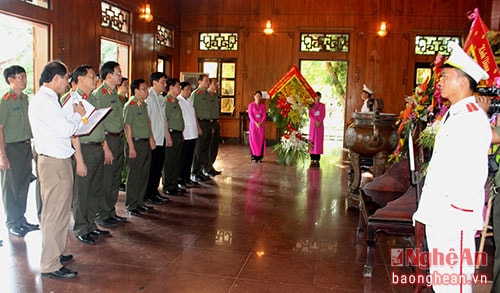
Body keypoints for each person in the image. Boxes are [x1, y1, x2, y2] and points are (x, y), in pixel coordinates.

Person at [412, 42, 491, 292]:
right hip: (441, 214)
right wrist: (428, 211)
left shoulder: (471, 118)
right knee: (442, 280)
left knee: (455, 283)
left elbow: (475, 174)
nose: (440, 81)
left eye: (445, 76)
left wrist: (451, 207)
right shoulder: (455, 114)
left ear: (463, 82)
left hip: (453, 217)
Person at [29, 60, 86, 279]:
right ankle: (50, 264)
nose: (67, 82)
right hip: (54, 162)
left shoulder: (50, 99)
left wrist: (73, 115)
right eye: (65, 78)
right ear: (55, 79)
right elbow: (65, 129)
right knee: (54, 213)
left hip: (58, 160)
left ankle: (56, 253)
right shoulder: (45, 101)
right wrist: (79, 115)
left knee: (62, 212)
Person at [60, 65, 110, 245]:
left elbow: (98, 126)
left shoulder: (93, 98)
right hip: (83, 149)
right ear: (80, 78)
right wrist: (79, 159)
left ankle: (91, 224)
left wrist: (105, 147)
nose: (95, 79)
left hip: (96, 147)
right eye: (91, 76)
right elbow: (72, 131)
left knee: (95, 189)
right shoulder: (71, 99)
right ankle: (81, 227)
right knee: (82, 191)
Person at [0, 65, 39, 238]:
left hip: (24, 146)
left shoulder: (24, 99)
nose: (24, 80)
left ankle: (21, 219)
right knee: (11, 186)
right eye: (20, 77)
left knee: (23, 184)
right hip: (11, 147)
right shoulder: (6, 100)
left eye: (24, 76)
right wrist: (2, 155)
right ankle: (12, 222)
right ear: (10, 80)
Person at [94, 61, 127, 227]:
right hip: (107, 140)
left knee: (114, 178)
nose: (120, 76)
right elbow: (98, 123)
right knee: (106, 179)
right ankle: (102, 214)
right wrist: (105, 147)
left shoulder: (114, 93)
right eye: (118, 73)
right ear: (108, 75)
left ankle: (110, 211)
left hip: (118, 138)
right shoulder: (100, 95)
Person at [123, 79, 155, 216]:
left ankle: (140, 202)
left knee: (143, 175)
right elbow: (127, 127)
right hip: (135, 143)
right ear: (135, 90)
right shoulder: (130, 105)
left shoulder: (143, 105)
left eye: (147, 89)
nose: (146, 91)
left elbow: (147, 123)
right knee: (134, 176)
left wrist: (151, 139)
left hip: (145, 143)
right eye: (143, 89)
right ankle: (131, 205)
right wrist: (131, 147)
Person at [144, 72, 169, 204]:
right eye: (162, 82)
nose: (165, 85)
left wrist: (167, 137)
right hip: (153, 139)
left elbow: (163, 119)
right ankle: (148, 194)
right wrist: (151, 138)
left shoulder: (160, 98)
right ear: (154, 83)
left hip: (161, 138)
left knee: (158, 168)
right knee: (151, 169)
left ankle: (154, 191)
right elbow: (147, 119)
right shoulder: (149, 97)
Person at [162, 78, 184, 195]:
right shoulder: (167, 101)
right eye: (178, 86)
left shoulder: (175, 101)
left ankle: (174, 184)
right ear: (171, 88)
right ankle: (168, 185)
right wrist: (168, 136)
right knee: (169, 162)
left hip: (178, 134)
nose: (180, 88)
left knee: (176, 161)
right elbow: (165, 119)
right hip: (171, 134)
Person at [177, 81, 200, 189]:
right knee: (183, 157)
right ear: (181, 90)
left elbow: (194, 114)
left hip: (192, 132)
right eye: (186, 89)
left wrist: (198, 127)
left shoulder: (189, 100)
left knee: (190, 157)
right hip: (185, 133)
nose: (189, 91)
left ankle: (187, 177)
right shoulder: (179, 101)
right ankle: (180, 179)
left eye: (189, 89)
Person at [190, 74, 212, 182]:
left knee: (205, 148)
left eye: (208, 81)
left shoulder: (208, 94)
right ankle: (195, 171)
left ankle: (203, 170)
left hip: (208, 122)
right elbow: (192, 110)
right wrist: (197, 126)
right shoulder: (196, 94)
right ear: (199, 81)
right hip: (200, 122)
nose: (208, 82)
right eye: (206, 80)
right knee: (198, 149)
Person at [206, 77, 222, 177]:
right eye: (214, 83)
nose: (216, 86)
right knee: (209, 146)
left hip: (216, 122)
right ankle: (206, 167)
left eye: (217, 84)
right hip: (210, 122)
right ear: (209, 84)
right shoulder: (206, 95)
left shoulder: (215, 95)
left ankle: (211, 166)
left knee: (215, 146)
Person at [248, 91, 266, 163]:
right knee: (253, 140)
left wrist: (261, 122)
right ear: (254, 97)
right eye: (257, 96)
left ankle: (259, 157)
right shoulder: (251, 105)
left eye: (259, 96)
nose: (258, 97)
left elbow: (264, 115)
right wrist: (256, 123)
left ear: (261, 97)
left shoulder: (263, 106)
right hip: (253, 125)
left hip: (261, 126)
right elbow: (250, 115)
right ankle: (254, 156)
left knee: (260, 140)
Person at [308, 91, 325, 166]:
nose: (317, 98)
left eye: (318, 96)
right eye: (315, 96)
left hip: (320, 125)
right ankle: (312, 157)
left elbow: (323, 114)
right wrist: (315, 121)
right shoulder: (311, 105)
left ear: (320, 97)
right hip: (313, 125)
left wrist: (319, 121)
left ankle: (317, 158)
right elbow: (310, 115)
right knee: (312, 140)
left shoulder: (322, 105)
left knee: (318, 140)